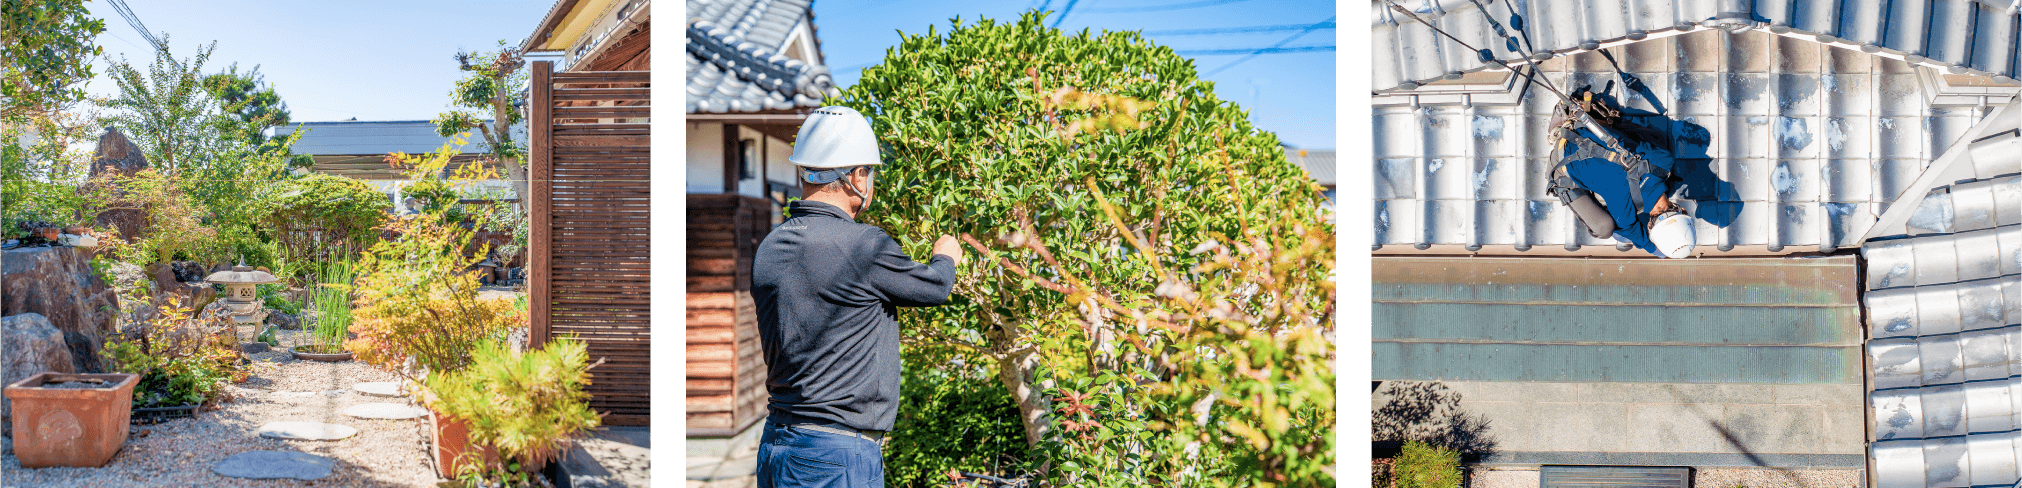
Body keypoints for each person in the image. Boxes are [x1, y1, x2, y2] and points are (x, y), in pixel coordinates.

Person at [751, 106, 965, 487]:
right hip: (835, 456)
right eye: (869, 172)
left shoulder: (770, 247)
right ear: (856, 177)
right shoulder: (864, 246)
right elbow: (934, 287)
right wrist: (945, 256)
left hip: (776, 446)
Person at [1546, 87, 1697, 258]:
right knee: (1606, 228)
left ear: (1682, 210)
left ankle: (1591, 119)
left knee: (1647, 145)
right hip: (1562, 162)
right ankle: (1568, 173)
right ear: (1649, 226)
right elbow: (1630, 230)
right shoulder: (1624, 211)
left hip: (1584, 128)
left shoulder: (1665, 160)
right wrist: (1653, 249)